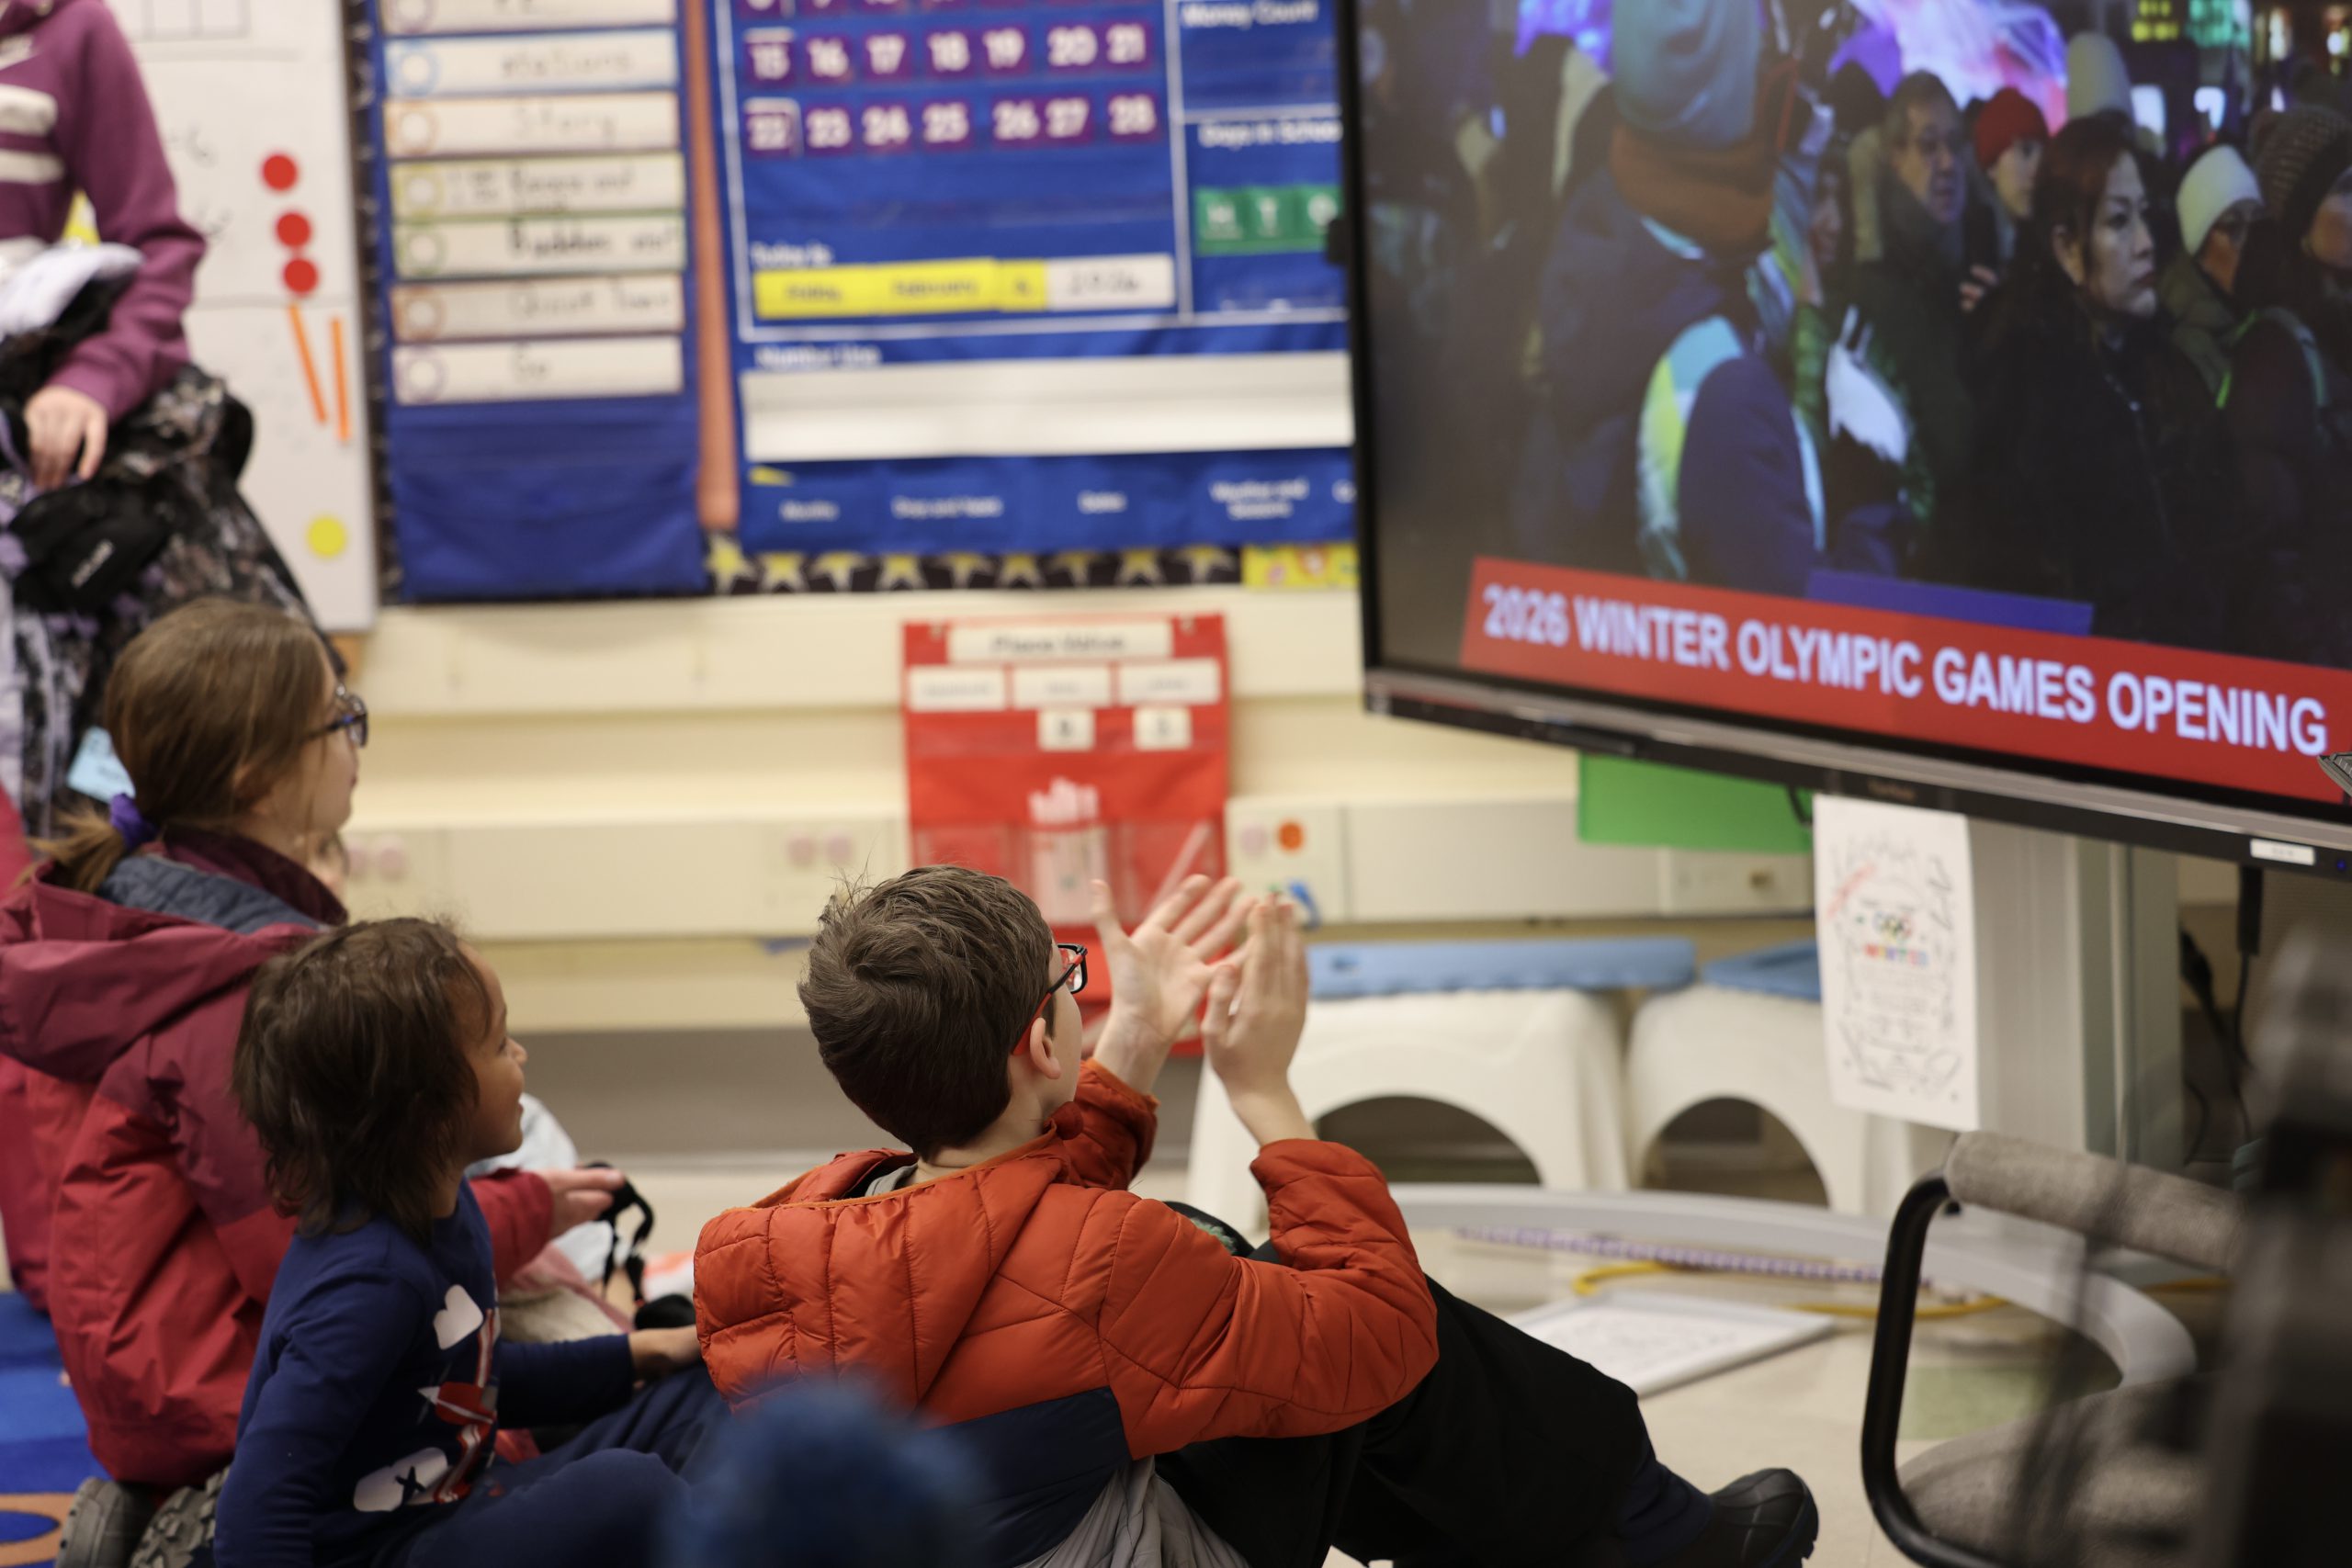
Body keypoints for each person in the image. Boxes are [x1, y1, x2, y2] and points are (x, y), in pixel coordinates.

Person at [695, 869, 1819, 1568]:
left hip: (1001, 1528)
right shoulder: (1119, 1263)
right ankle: (1659, 1539)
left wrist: (1134, 1037)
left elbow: (1003, 1245)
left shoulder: (777, 1238)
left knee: (1247, 1309)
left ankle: (1584, 1536)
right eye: (1067, 982)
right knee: (1338, 1302)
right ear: (1042, 1044)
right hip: (1124, 1549)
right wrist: (1267, 1091)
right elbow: (1382, 1331)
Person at [0, 601, 621, 1562]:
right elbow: (331, 1249)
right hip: (218, 1388)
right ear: (257, 778)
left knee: (549, 1297)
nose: (353, 737)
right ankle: (199, 1516)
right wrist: (526, 1211)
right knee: (588, 1365)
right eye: (338, 718)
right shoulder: (240, 984)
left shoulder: (137, 915)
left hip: (165, 1364)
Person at [217, 919, 718, 1568]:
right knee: (628, 1488)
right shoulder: (368, 1283)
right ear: (431, 1108)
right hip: (384, 1552)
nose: (521, 1055)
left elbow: (472, 1384)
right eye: (499, 1041)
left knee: (706, 1388)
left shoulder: (450, 1210)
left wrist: (643, 1352)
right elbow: (256, 1509)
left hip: (464, 1504)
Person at [1510, 0, 1830, 594]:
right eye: (1751, 46)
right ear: (1726, 89)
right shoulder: (1723, 389)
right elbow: (1809, 636)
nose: (1763, 59)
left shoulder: (1600, 234)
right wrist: (1876, 508)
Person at [1960, 114, 2235, 648]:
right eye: (2117, 222)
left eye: (2145, 216)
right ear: (2066, 249)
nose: (2145, 243)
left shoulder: (2164, 367)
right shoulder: (2024, 398)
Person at [1842, 73, 1989, 559]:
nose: (1947, 165)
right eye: (1928, 147)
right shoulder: (1877, 294)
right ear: (1894, 159)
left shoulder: (1974, 269)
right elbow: (1955, 444)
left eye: (1954, 145)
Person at [2224, 105, 2352, 665]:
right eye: (2346, 189)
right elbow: (2274, 562)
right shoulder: (2275, 356)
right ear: (2301, 217)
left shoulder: (2338, 328)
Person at [2163, 144, 2266, 398]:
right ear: (2199, 249)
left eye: (2259, 222)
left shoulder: (2270, 310)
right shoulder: (2183, 349)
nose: (2250, 240)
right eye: (2233, 226)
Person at [1973, 87, 2049, 266]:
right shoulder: (1972, 246)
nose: (2036, 171)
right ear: (1992, 165)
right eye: (2025, 151)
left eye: (2044, 156)